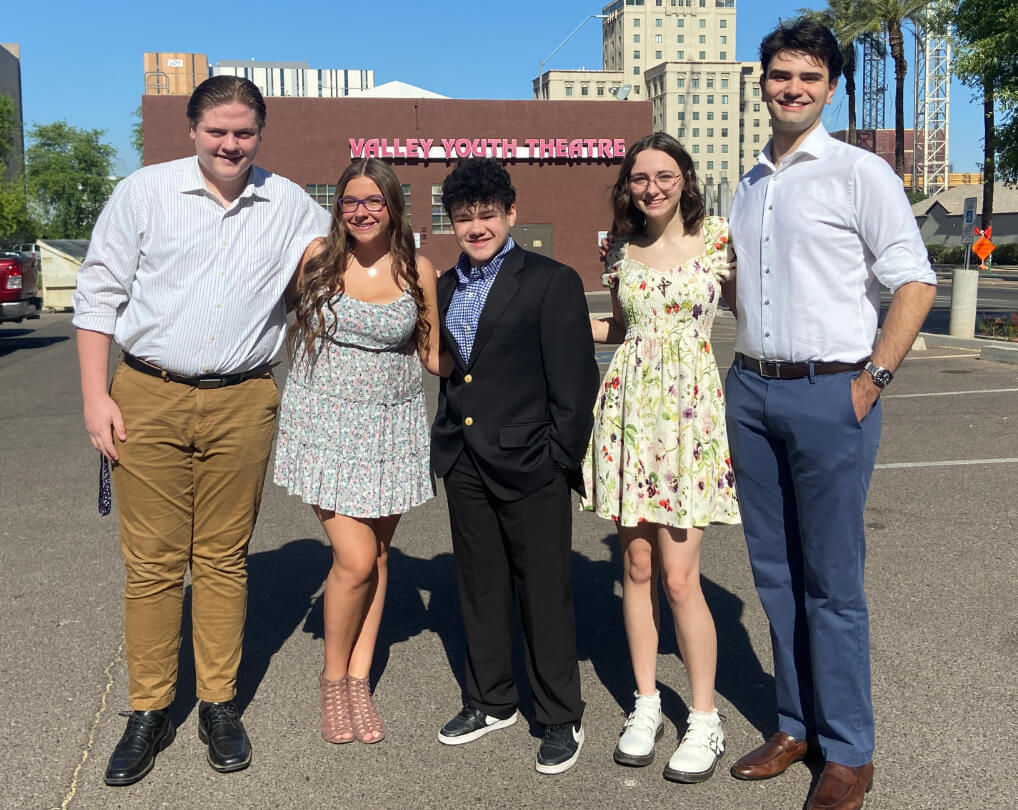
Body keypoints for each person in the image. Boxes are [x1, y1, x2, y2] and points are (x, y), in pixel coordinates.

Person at [73, 76, 330, 786]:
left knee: (222, 558)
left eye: (244, 132)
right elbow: (96, 296)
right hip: (147, 395)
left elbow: (348, 263)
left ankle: (218, 703)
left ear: (260, 134)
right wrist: (96, 397)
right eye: (217, 131)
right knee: (154, 566)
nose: (230, 144)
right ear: (192, 130)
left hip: (242, 400)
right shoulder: (144, 193)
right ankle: (149, 710)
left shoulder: (287, 204)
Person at [724, 17, 936, 810]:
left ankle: (848, 750)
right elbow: (740, 287)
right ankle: (794, 724)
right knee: (774, 573)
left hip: (831, 390)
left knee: (833, 581)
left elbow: (914, 281)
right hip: (752, 387)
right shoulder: (749, 182)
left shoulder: (858, 173)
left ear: (830, 88)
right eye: (782, 74)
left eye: (810, 77)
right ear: (764, 82)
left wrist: (873, 377)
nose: (794, 87)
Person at [430, 157, 600, 775]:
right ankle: (491, 699)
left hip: (533, 461)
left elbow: (575, 381)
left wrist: (559, 455)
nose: (476, 226)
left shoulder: (550, 281)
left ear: (510, 215)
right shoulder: (446, 286)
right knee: (478, 586)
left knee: (544, 592)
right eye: (464, 216)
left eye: (487, 214)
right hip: (466, 458)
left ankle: (559, 716)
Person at [583, 132, 740, 783]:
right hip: (628, 411)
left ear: (685, 177)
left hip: (689, 417)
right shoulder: (619, 248)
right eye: (640, 177)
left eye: (663, 174)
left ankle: (704, 718)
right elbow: (618, 328)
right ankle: (646, 703)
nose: (651, 186)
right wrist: (552, 318)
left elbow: (751, 312)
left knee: (680, 577)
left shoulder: (719, 238)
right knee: (638, 566)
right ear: (629, 186)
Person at [272, 157, 442, 746]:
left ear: (393, 206)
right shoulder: (317, 259)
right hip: (324, 423)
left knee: (381, 556)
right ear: (339, 207)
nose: (363, 211)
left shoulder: (416, 267)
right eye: (351, 201)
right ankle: (331, 678)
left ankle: (359, 678)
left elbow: (435, 356)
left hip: (391, 428)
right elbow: (266, 313)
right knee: (355, 559)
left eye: (374, 201)